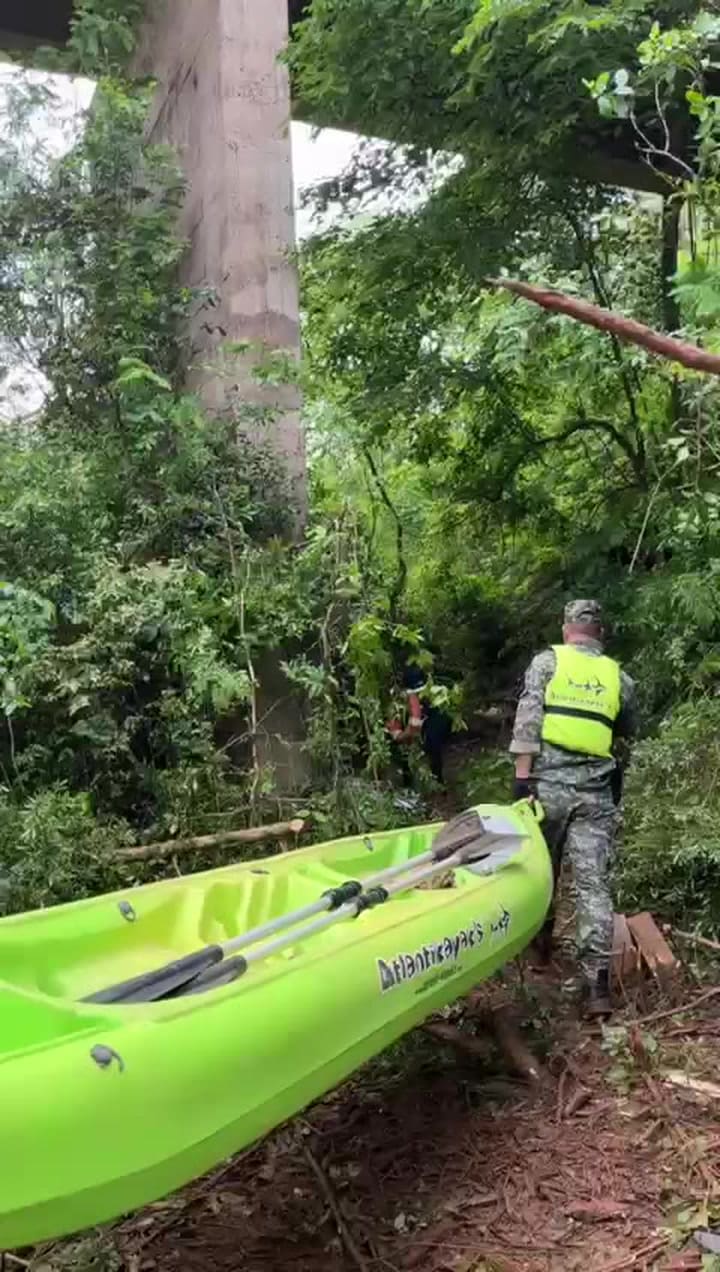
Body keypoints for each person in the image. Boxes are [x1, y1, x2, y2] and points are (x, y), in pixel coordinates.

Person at [509, 599, 637, 1017]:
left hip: (548, 787)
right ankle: (597, 985)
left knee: (542, 867)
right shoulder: (620, 677)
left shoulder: (547, 663)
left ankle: (538, 947)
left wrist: (522, 779)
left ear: (567, 630)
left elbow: (528, 720)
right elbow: (624, 734)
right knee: (593, 884)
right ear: (600, 633)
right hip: (595, 792)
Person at [386, 663, 452, 786]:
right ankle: (408, 781)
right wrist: (408, 733)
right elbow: (396, 735)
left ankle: (437, 779)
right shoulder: (395, 705)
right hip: (406, 731)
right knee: (404, 751)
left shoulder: (434, 697)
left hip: (429, 721)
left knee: (434, 742)